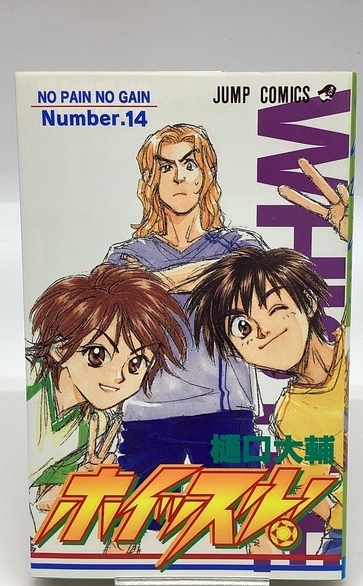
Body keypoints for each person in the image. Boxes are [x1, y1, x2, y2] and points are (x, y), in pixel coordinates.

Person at [188, 161, 351, 555]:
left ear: (306, 302)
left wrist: (353, 236)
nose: (261, 330)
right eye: (241, 326)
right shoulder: (293, 416)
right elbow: (310, 491)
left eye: (272, 306)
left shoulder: (353, 340)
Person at [103, 123, 268, 486]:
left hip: (225, 411)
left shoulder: (238, 243)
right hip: (146, 414)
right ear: (151, 180)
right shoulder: (125, 254)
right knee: (136, 517)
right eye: (166, 167)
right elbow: (113, 301)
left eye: (189, 165)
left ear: (205, 176)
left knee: (242, 513)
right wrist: (215, 273)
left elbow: (253, 276)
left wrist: (150, 284)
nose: (179, 177)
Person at [25, 264, 187, 514]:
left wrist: (81, 483)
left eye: (135, 364)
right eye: (97, 355)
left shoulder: (95, 426)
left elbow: (43, 501)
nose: (118, 377)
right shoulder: (30, 381)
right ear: (60, 349)